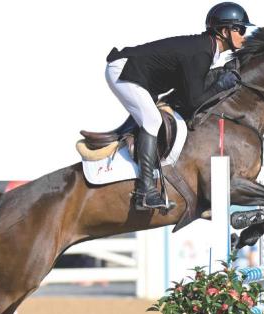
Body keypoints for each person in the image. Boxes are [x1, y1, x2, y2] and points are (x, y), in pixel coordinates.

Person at [105, 2, 252, 210]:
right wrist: (220, 85)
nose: (244, 35)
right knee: (152, 120)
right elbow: (194, 101)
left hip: (137, 75)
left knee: (153, 118)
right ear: (224, 31)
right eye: (241, 29)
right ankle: (145, 192)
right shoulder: (202, 52)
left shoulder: (206, 49)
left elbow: (190, 94)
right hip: (123, 71)